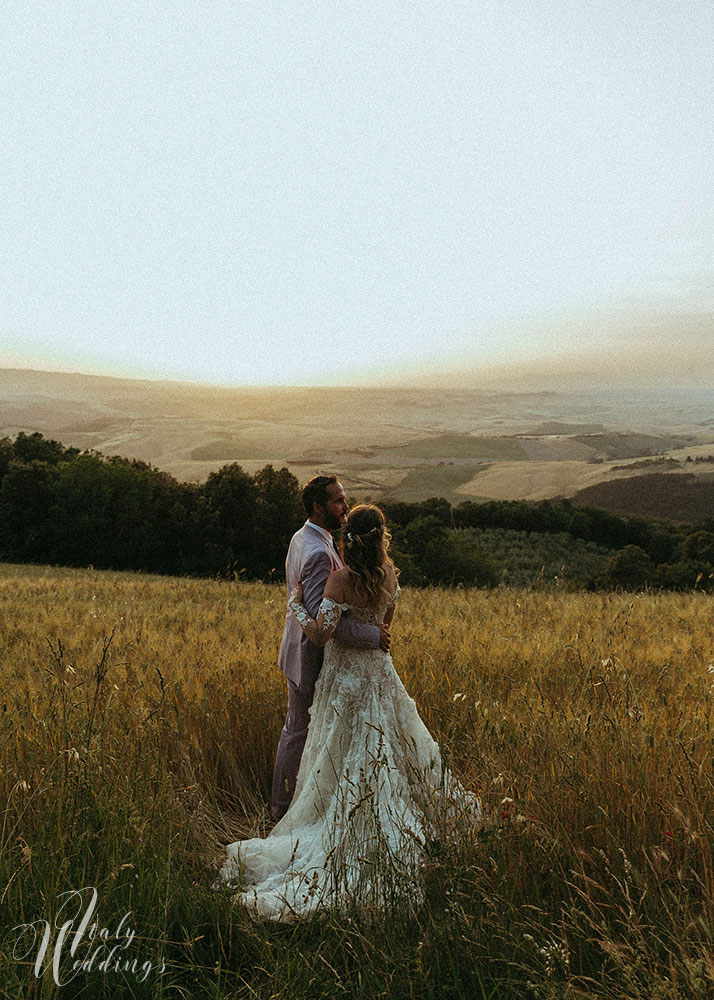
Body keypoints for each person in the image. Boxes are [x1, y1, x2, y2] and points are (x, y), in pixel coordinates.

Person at [218, 503, 479, 921]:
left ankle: (327, 818)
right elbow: (387, 628)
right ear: (381, 537)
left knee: (338, 748)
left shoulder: (339, 580)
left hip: (344, 678)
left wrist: (296, 606)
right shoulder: (390, 576)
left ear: (348, 537)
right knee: (389, 745)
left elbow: (321, 635)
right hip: (379, 675)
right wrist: (372, 634)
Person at [270, 476, 391, 820]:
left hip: (296, 649)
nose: (345, 507)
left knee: (301, 731)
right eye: (338, 501)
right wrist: (373, 635)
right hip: (309, 656)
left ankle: (300, 806)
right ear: (317, 507)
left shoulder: (302, 535)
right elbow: (328, 626)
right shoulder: (321, 553)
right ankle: (282, 811)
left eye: (344, 499)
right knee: (298, 732)